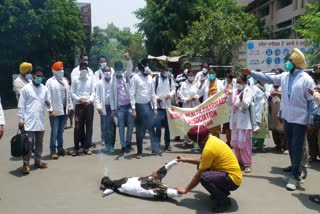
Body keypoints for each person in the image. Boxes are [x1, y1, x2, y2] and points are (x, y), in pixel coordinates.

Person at [241, 48, 316, 191]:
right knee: (291, 146)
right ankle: (296, 167)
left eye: (289, 61)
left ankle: (295, 176)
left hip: (300, 120)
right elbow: (267, 78)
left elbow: (311, 101)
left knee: (297, 147)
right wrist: (251, 72)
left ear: (295, 62)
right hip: (288, 118)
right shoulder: (285, 76)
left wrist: (310, 121)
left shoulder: (306, 79)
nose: (286, 63)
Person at [176, 125, 242, 213]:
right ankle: (222, 193)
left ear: (199, 140)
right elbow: (202, 161)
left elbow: (198, 176)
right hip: (228, 175)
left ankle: (224, 201)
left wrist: (186, 190)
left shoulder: (208, 149)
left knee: (203, 177)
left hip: (233, 180)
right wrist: (185, 160)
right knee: (202, 168)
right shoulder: (211, 139)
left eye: (194, 141)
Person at [18, 66, 49, 174]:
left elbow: (48, 102)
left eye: (41, 76)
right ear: (33, 75)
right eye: (37, 76)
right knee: (28, 144)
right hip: (29, 121)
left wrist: (50, 108)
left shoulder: (44, 88)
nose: (39, 78)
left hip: (40, 120)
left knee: (39, 144)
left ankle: (38, 161)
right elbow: (21, 105)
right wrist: (21, 119)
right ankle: (26, 164)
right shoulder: (26, 88)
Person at [130, 57, 158, 159]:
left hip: (148, 105)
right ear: (140, 67)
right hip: (138, 107)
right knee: (139, 130)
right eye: (145, 65)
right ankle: (139, 152)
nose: (147, 67)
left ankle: (154, 149)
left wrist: (155, 108)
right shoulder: (135, 78)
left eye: (147, 65)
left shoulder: (150, 78)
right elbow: (132, 94)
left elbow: (153, 94)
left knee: (151, 128)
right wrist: (133, 109)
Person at [46, 61, 73, 159]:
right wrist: (50, 110)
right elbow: (47, 98)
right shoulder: (50, 82)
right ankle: (52, 151)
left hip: (64, 111)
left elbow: (68, 95)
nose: (61, 71)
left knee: (61, 131)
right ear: (54, 71)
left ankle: (60, 148)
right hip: (55, 112)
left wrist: (70, 107)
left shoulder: (65, 81)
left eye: (62, 69)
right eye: (59, 69)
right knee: (54, 131)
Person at [227, 74, 254, 173]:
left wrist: (242, 99)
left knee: (245, 144)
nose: (238, 84)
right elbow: (229, 103)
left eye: (240, 82)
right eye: (237, 82)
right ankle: (238, 161)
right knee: (237, 143)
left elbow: (246, 105)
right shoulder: (234, 90)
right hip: (235, 120)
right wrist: (229, 94)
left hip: (243, 120)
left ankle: (247, 164)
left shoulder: (248, 91)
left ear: (245, 82)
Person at [110, 53, 134, 154]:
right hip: (120, 108)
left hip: (129, 106)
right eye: (117, 68)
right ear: (115, 69)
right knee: (120, 128)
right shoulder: (112, 81)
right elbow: (111, 96)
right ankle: (123, 146)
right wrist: (112, 110)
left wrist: (128, 59)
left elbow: (130, 67)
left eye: (120, 67)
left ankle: (128, 143)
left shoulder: (126, 76)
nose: (119, 69)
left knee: (130, 126)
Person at [71, 61, 95, 156]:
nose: (84, 70)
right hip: (79, 105)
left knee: (89, 127)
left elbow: (93, 92)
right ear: (79, 69)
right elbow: (72, 93)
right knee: (77, 127)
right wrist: (79, 99)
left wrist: (90, 100)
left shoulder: (90, 79)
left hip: (88, 105)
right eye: (82, 68)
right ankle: (76, 148)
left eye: (85, 68)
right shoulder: (75, 80)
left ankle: (86, 147)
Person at [154, 64, 176, 151]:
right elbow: (152, 91)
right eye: (165, 70)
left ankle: (167, 144)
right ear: (162, 70)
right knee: (158, 126)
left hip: (167, 106)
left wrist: (169, 95)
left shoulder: (170, 78)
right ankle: (157, 143)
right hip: (159, 106)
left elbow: (174, 90)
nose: (167, 72)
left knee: (168, 127)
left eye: (168, 70)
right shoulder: (155, 79)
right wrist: (156, 98)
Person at [198, 67, 224, 138]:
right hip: (207, 109)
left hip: (216, 109)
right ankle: (206, 144)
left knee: (216, 128)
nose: (211, 75)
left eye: (212, 73)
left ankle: (216, 144)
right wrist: (201, 84)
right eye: (210, 73)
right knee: (207, 128)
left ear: (215, 74)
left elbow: (223, 94)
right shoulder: (206, 82)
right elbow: (199, 93)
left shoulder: (220, 83)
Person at [95, 66, 116, 153]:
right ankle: (107, 145)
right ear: (103, 72)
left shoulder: (114, 82)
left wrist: (114, 109)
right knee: (105, 127)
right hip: (104, 108)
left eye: (108, 71)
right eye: (105, 71)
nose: (107, 72)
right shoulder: (100, 83)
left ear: (111, 72)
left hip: (112, 108)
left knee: (112, 127)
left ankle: (112, 145)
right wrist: (98, 107)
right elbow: (97, 96)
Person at [178, 68, 200, 146]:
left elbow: (200, 93)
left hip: (195, 105)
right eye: (189, 75)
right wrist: (185, 99)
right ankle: (185, 140)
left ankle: (194, 141)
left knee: (194, 124)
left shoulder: (197, 83)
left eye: (192, 75)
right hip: (186, 105)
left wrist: (195, 97)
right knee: (186, 123)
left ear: (194, 76)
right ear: (187, 75)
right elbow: (180, 94)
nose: (190, 76)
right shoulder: (183, 83)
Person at [269, 68, 288, 154]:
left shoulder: (284, 84)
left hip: (282, 110)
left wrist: (277, 94)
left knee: (283, 129)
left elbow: (286, 95)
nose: (275, 75)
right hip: (273, 110)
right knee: (275, 128)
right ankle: (278, 145)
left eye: (277, 73)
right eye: (275, 73)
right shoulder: (272, 85)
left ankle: (286, 147)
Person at [251, 80, 270, 152]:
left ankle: (260, 146)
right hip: (257, 111)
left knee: (263, 129)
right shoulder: (255, 88)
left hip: (264, 111)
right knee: (256, 129)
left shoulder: (265, 88)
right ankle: (251, 146)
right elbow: (252, 99)